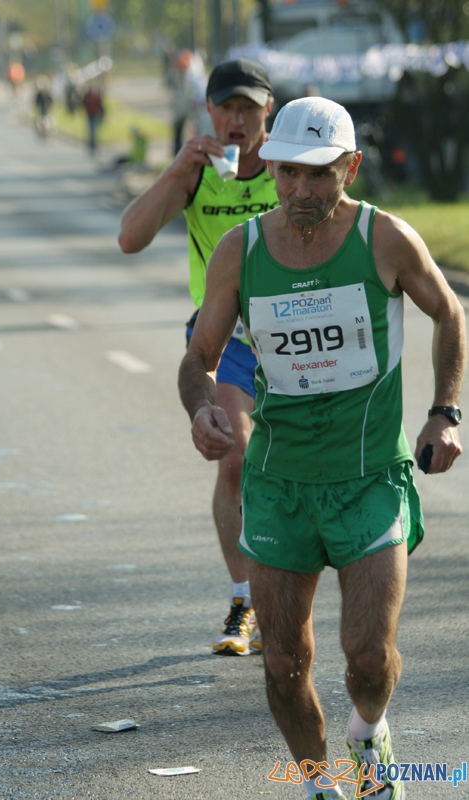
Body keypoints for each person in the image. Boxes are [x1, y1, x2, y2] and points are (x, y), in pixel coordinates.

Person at [178, 96, 466, 799]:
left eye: (319, 174)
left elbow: (449, 312)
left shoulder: (385, 238)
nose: (300, 192)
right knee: (282, 663)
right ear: (269, 168)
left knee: (367, 656)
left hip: (369, 475)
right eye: (287, 175)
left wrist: (444, 413)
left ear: (350, 167)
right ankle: (318, 788)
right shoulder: (239, 250)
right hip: (279, 483)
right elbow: (200, 356)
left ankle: (369, 738)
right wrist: (202, 408)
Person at [118, 60, 279, 656]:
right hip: (226, 337)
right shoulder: (198, 176)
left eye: (248, 108)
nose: (236, 121)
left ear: (270, 110)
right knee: (235, 456)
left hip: (292, 335)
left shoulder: (291, 170)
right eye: (225, 108)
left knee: (295, 467)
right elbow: (130, 238)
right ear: (208, 111)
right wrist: (178, 169)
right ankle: (246, 598)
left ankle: (285, 592)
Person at [82, 82, 105, 155]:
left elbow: (101, 106)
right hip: (90, 115)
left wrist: (102, 114)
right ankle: (91, 144)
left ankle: (94, 144)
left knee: (95, 131)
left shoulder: (97, 96)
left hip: (96, 115)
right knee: (91, 130)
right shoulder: (88, 95)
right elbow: (84, 103)